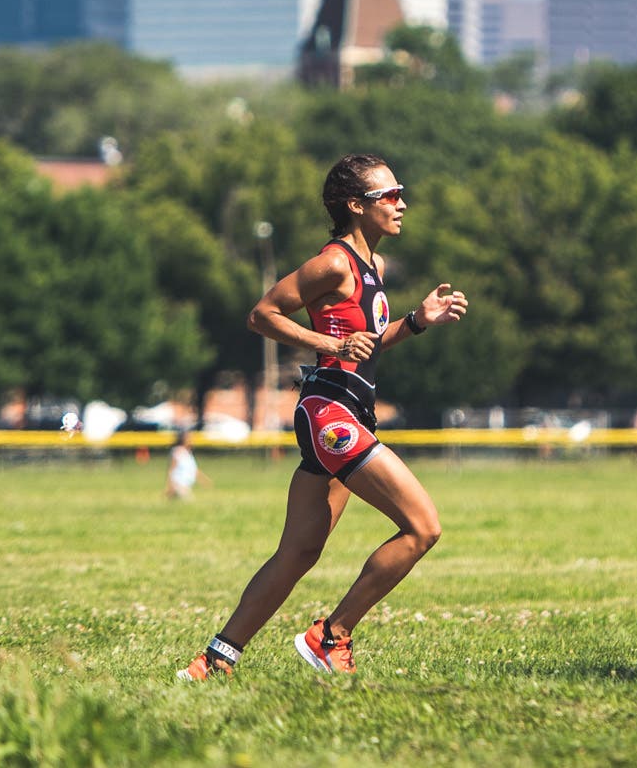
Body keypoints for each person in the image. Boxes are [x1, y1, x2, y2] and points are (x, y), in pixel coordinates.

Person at [177, 153, 469, 680]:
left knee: (298, 552)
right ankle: (330, 636)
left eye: (400, 192)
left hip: (349, 407)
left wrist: (417, 322)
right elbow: (261, 314)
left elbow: (368, 347)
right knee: (423, 527)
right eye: (390, 195)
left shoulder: (374, 268)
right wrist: (328, 340)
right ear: (357, 206)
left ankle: (215, 661)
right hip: (330, 411)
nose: (402, 203)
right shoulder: (333, 263)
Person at [165, 430, 207, 500]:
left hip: (185, 485)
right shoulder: (178, 452)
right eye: (189, 438)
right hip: (179, 484)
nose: (191, 440)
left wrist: (203, 480)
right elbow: (172, 469)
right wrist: (170, 485)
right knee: (189, 502)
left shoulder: (188, 452)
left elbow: (193, 469)